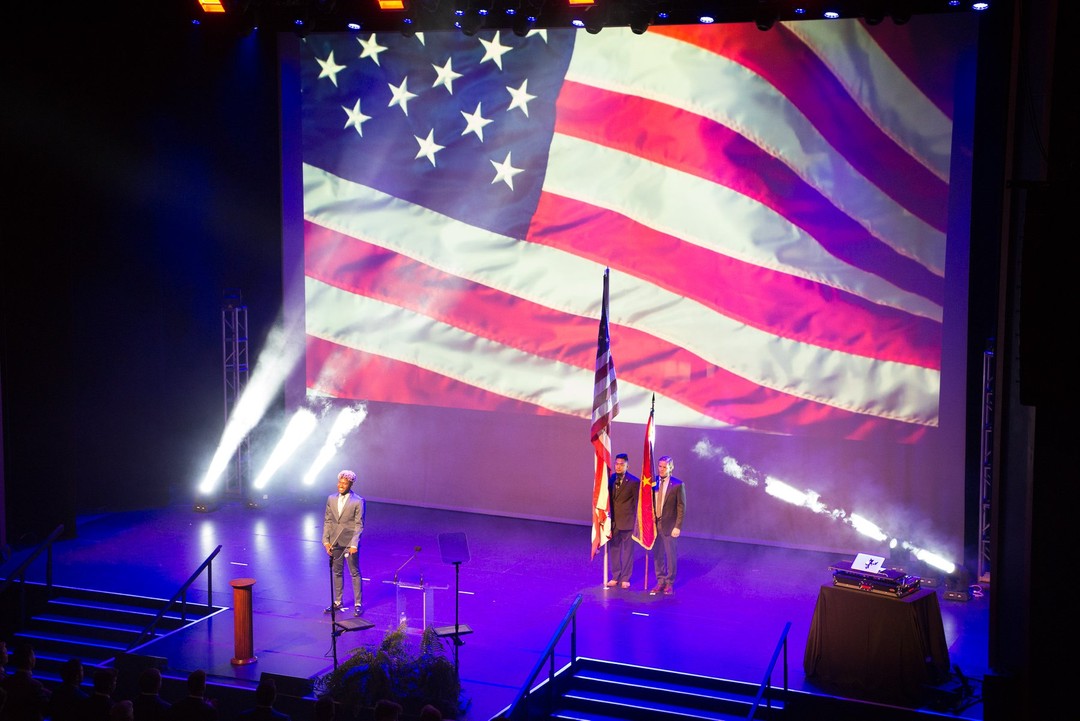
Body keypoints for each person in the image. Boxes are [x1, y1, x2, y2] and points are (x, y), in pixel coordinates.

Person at [322, 469, 365, 616]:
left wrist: (354, 544)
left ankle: (358, 604)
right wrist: (326, 541)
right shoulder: (331, 498)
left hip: (349, 543)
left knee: (354, 573)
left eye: (344, 483)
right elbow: (328, 520)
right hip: (335, 542)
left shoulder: (358, 501)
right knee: (337, 572)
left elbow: (359, 524)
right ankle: (338, 601)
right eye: (340, 482)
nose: (341, 485)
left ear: (350, 484)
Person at [650, 455, 686, 596]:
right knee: (657, 554)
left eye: (665, 467)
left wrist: (678, 526)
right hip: (654, 525)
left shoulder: (677, 484)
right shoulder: (653, 482)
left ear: (671, 467)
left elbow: (681, 507)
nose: (661, 469)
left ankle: (669, 583)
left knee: (670, 555)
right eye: (660, 466)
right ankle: (660, 581)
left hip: (669, 525)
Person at [604, 453, 639, 589]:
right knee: (614, 550)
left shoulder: (634, 482)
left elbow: (637, 504)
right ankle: (615, 576)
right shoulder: (611, 479)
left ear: (627, 465)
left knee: (627, 551)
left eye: (621, 464)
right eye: (617, 464)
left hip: (628, 522)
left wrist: (636, 524)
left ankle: (625, 577)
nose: (618, 466)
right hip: (613, 522)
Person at [0, 640, 50, 720]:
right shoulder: (35, 685)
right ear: (30, 659)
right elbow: (46, 709)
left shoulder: (6, 682)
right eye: (33, 655)